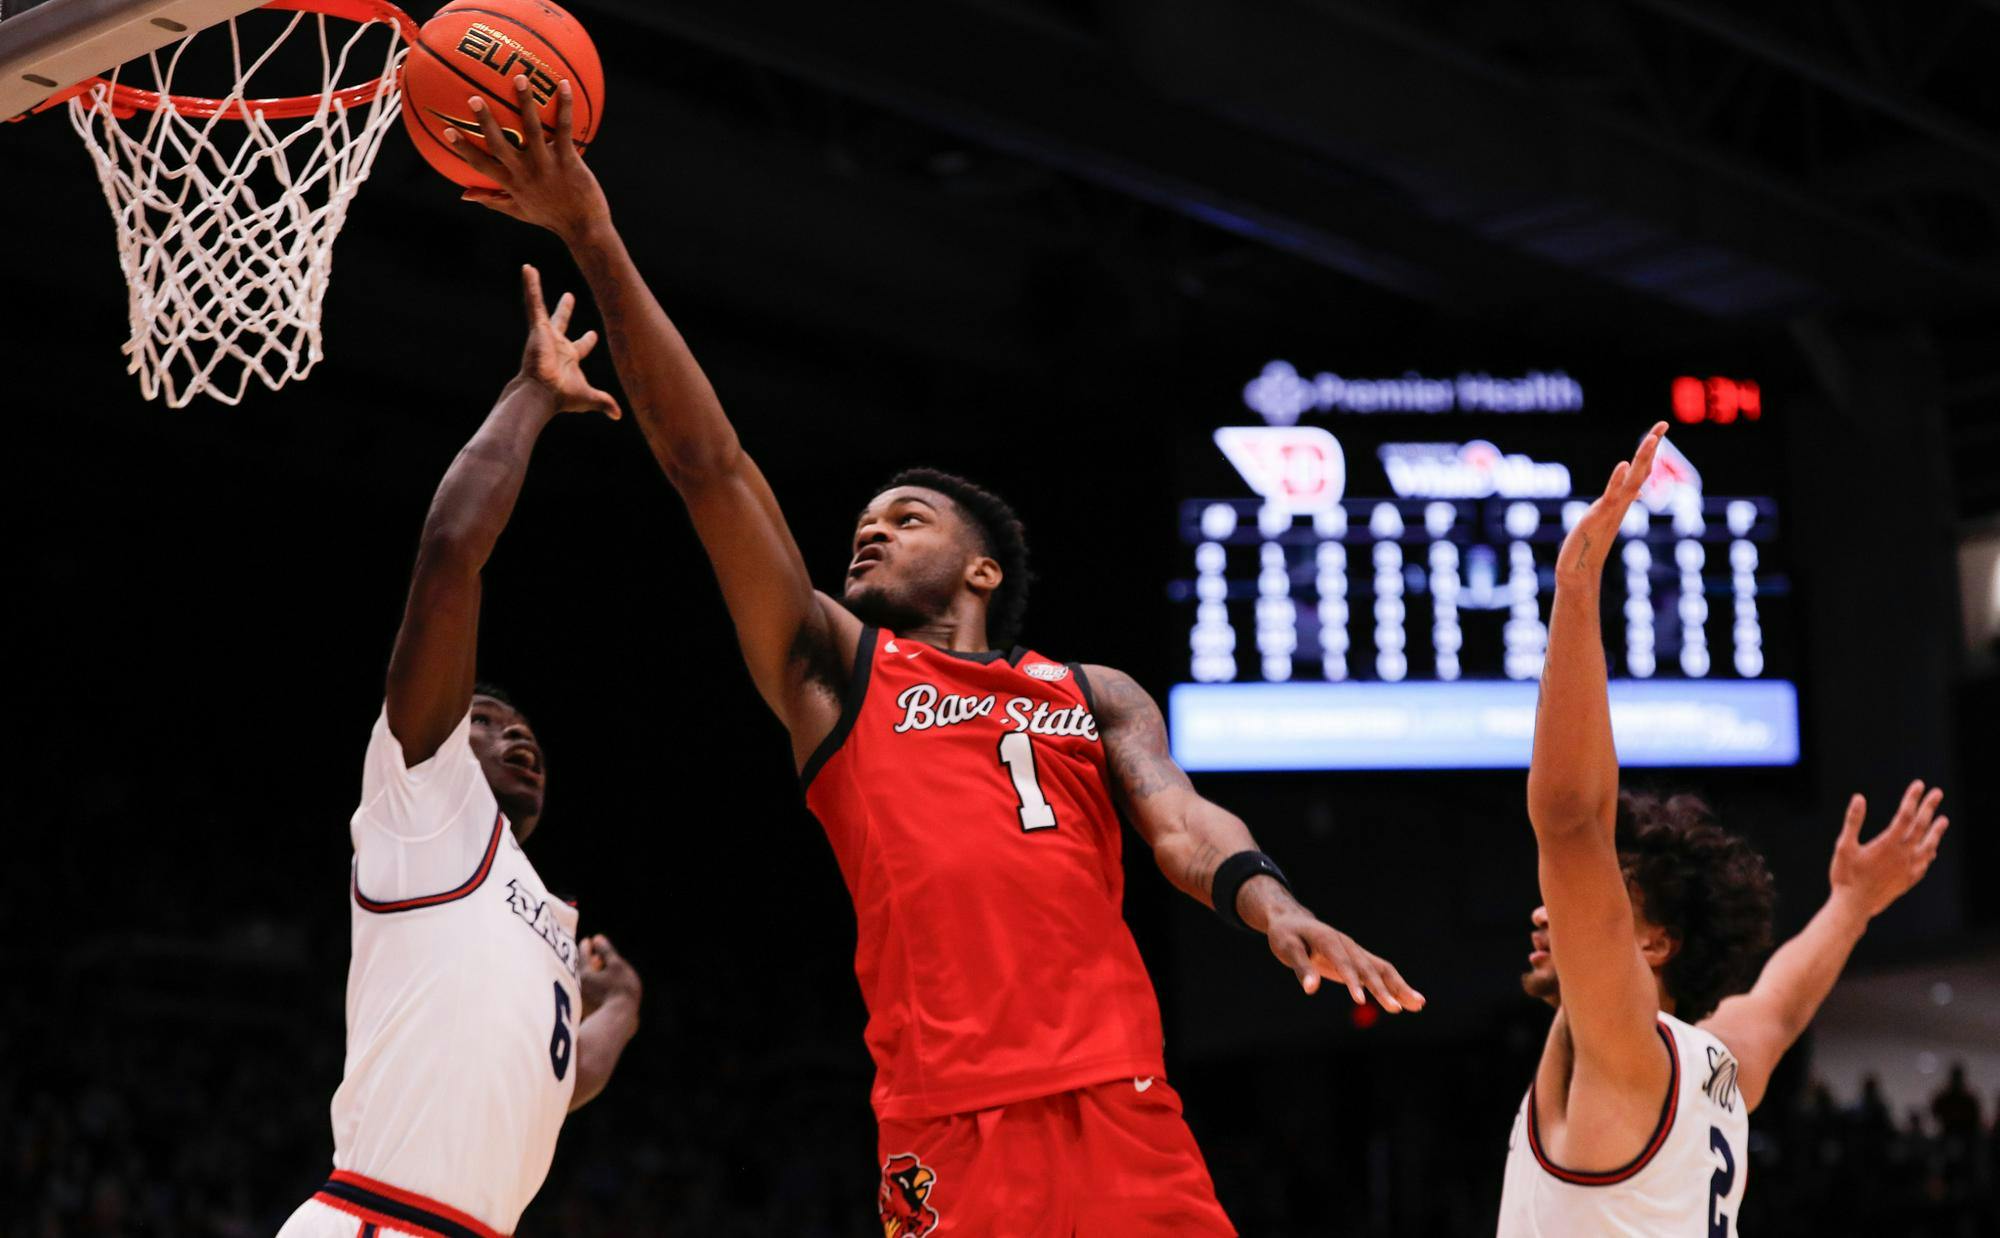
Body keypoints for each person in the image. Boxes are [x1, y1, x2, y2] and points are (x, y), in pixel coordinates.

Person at [443, 79, 1424, 1235]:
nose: (872, 524)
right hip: (946, 1120)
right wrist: (592, 233)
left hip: (1120, 1100)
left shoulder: (1093, 692)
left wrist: (1272, 905)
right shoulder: (831, 671)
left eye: (907, 516)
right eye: (867, 514)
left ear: (982, 568)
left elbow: (1175, 820)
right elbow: (708, 462)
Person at [1498, 424, 1952, 1236]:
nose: (1548, 911)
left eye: (1606, 899)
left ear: (1655, 944)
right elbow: (1776, 1008)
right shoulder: (1715, 1066)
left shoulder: (1625, 1058)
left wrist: (1574, 586)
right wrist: (1851, 903)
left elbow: (1571, 823)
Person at [277, 269, 644, 1238]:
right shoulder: (426, 805)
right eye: (483, 716)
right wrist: (530, 393)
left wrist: (620, 1007)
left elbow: (548, 1083)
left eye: (520, 725)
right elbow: (450, 550)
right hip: (372, 1220)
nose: (513, 729)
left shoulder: (543, 916)